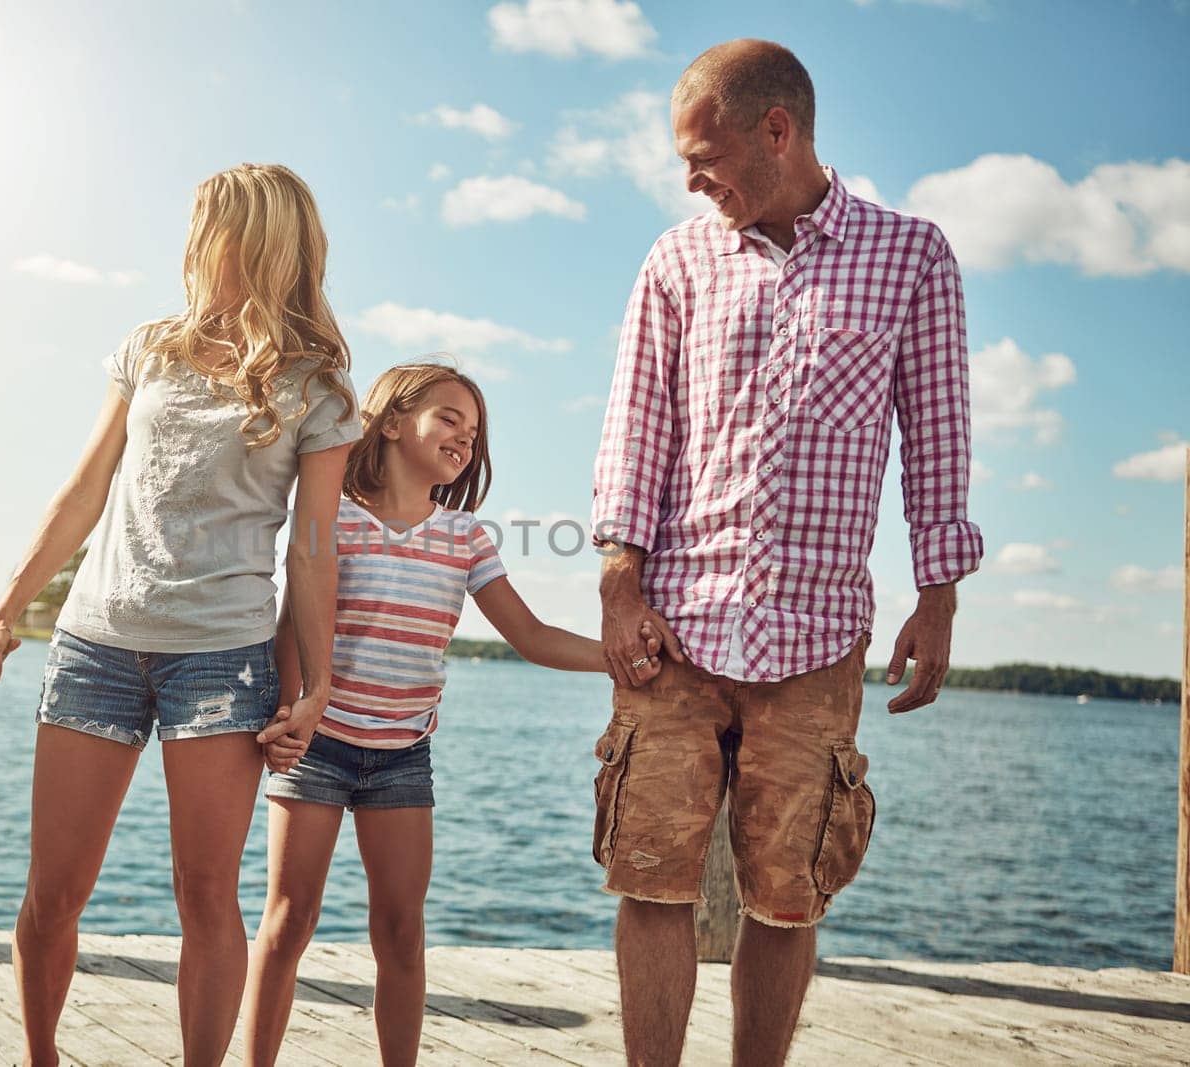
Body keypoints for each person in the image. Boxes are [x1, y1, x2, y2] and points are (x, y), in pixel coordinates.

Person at [591, 40, 983, 1066]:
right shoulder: (676, 260)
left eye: (703, 155)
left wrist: (937, 592)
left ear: (778, 131)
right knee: (650, 875)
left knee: (786, 890)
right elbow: (636, 429)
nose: (690, 181)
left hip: (815, 638)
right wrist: (617, 580)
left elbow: (936, 431)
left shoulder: (911, 256)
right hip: (673, 628)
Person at [0, 163, 360, 1067]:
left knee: (206, 894)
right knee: (54, 891)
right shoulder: (149, 347)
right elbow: (83, 493)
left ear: (251, 239)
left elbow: (311, 549)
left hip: (221, 662)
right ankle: (41, 1057)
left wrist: (318, 684)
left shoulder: (317, 387)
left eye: (205, 225)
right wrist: (4, 616)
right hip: (95, 643)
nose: (189, 243)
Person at [242, 363, 610, 1067]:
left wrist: (619, 659)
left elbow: (531, 636)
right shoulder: (335, 517)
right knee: (289, 923)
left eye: (473, 433)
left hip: (402, 758)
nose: (464, 439)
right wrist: (290, 714)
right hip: (317, 747)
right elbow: (294, 620)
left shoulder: (465, 538)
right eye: (449, 419)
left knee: (402, 931)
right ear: (389, 422)